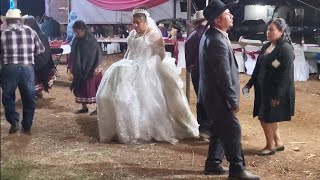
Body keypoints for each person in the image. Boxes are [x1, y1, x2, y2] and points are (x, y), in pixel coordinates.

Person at [96, 7, 199, 144]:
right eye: (134, 22)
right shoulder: (133, 33)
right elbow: (130, 51)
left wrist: (147, 65)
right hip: (130, 65)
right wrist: (128, 62)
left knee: (148, 99)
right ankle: (123, 127)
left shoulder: (153, 34)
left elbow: (161, 54)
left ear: (146, 22)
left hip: (147, 68)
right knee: (116, 95)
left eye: (138, 22)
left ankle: (145, 129)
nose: (135, 25)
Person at [199, 1, 260, 179]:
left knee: (219, 130)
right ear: (218, 20)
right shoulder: (216, 40)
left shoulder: (213, 35)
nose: (232, 16)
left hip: (213, 96)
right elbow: (223, 75)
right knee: (233, 130)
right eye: (227, 13)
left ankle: (213, 164)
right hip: (219, 97)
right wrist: (232, 100)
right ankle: (237, 169)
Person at [242, 18, 295, 156]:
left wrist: (277, 95)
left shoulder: (286, 49)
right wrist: (249, 84)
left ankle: (270, 146)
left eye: (272, 30)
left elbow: (285, 76)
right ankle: (277, 143)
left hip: (275, 90)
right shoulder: (266, 46)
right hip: (263, 89)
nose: (268, 32)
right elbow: (258, 67)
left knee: (264, 117)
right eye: (267, 29)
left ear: (281, 32)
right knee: (269, 116)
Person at [0, 9, 45, 134]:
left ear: (7, 20)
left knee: (8, 97)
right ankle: (26, 126)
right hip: (27, 68)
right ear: (20, 20)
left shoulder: (2, 33)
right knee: (29, 98)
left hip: (9, 69)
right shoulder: (30, 31)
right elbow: (41, 50)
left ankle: (14, 122)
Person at [185, 10, 211, 141]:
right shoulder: (209, 34)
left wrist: (192, 67)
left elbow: (188, 60)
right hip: (208, 72)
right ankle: (208, 129)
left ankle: (204, 129)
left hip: (196, 72)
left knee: (201, 100)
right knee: (210, 100)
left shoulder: (192, 36)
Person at [68, 20, 102, 115]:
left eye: (77, 30)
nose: (76, 33)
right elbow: (72, 54)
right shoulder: (75, 40)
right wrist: (70, 66)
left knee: (94, 89)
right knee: (80, 88)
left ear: (83, 30)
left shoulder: (91, 41)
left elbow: (98, 54)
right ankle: (84, 108)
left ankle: (98, 108)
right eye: (74, 31)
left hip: (91, 69)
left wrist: (96, 67)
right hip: (79, 69)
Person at [24, 16, 57, 99]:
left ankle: (38, 92)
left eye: (27, 23)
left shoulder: (41, 35)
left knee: (37, 77)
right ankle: (36, 93)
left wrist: (39, 58)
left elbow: (44, 50)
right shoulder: (28, 34)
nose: (26, 25)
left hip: (41, 61)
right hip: (32, 60)